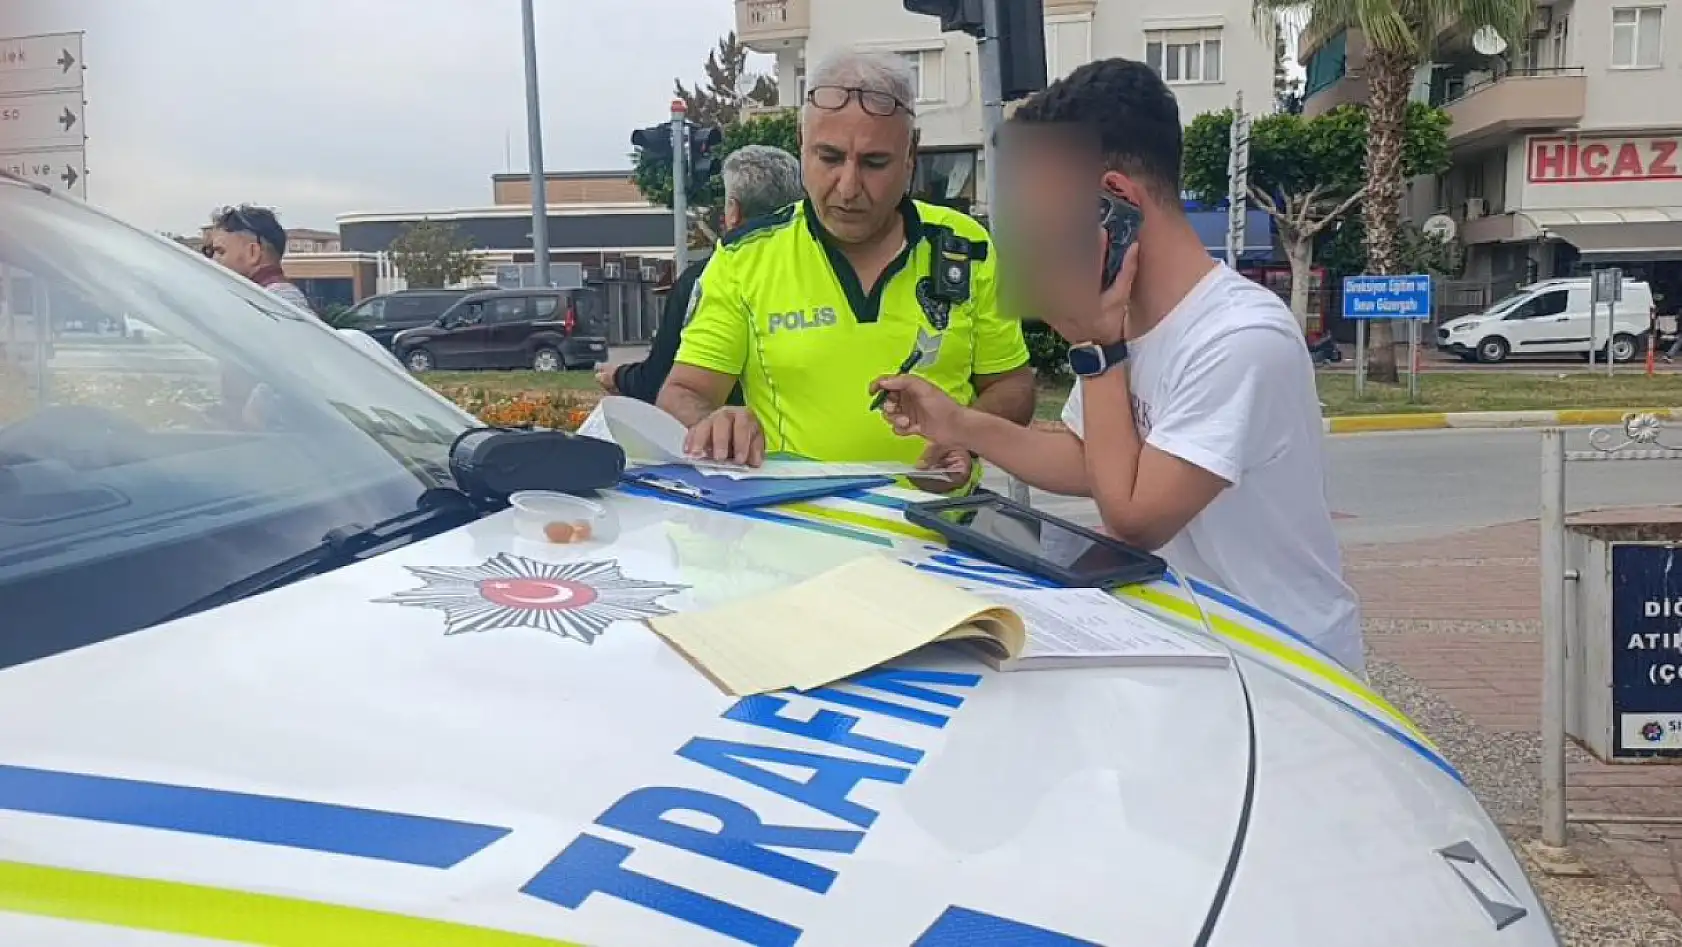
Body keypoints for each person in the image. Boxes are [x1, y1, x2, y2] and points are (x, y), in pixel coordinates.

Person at [872, 59, 1363, 674]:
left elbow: (1132, 519)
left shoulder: (1241, 338)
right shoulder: (1123, 316)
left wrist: (1097, 354)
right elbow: (1091, 460)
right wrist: (959, 425)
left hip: (1285, 668)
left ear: (1116, 203)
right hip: (1199, 646)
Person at [656, 48, 1035, 486]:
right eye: (830, 158)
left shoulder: (964, 247)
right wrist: (715, 420)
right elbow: (682, 392)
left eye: (874, 163)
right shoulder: (745, 256)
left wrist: (967, 436)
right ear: (802, 147)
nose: (849, 187)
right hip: (797, 534)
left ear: (911, 155)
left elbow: (1013, 387)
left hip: (939, 536)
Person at [598, 145, 804, 404]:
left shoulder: (706, 279)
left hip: (728, 436)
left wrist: (618, 377)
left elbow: (660, 381)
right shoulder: (821, 271)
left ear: (733, 211)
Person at [206, 205, 313, 313]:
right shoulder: (264, 298)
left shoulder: (279, 300)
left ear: (253, 252)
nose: (214, 259)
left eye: (221, 252)